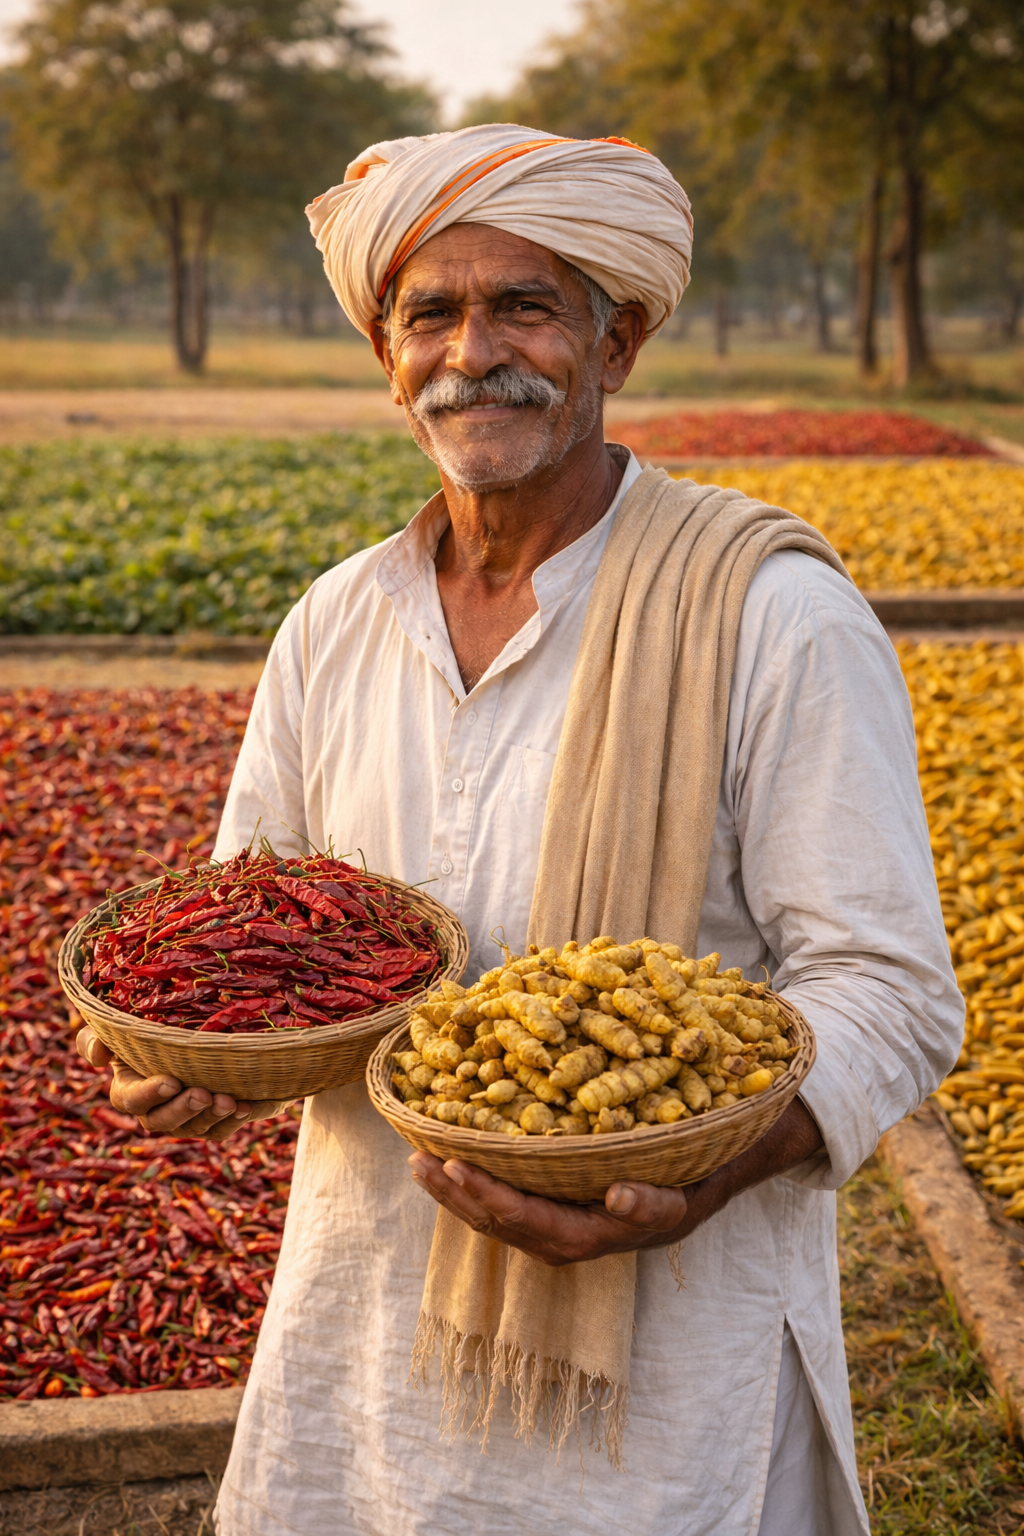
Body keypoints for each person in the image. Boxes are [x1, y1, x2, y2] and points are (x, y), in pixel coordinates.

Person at [76, 125, 963, 1535]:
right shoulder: (338, 623)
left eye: (526, 307)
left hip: (662, 1367)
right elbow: (247, 925)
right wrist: (191, 1064)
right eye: (430, 313)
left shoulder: (769, 613)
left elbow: (893, 989)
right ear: (388, 357)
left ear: (617, 345)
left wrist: (702, 1168)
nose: (472, 351)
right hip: (361, 1328)